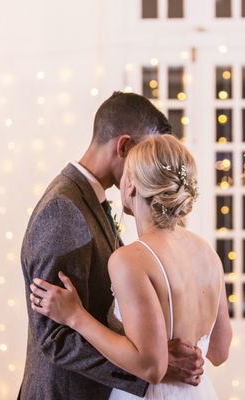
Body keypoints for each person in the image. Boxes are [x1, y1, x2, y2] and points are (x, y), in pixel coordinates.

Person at [18, 92, 205, 400]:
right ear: (124, 146)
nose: (150, 171)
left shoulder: (91, 198)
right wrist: (151, 366)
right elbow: (54, 338)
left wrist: (153, 352)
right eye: (146, 155)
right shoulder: (62, 210)